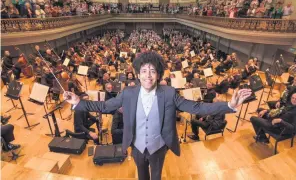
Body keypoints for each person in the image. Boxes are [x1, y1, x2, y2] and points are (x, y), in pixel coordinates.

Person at [64, 52, 251, 180]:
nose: (148, 75)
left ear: (159, 74)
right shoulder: (128, 93)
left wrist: (230, 105)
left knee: (156, 177)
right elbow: (105, 106)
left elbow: (197, 108)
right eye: (144, 71)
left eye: (152, 71)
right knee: (141, 175)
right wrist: (78, 102)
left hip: (159, 148)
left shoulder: (169, 93)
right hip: (136, 147)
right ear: (138, 74)